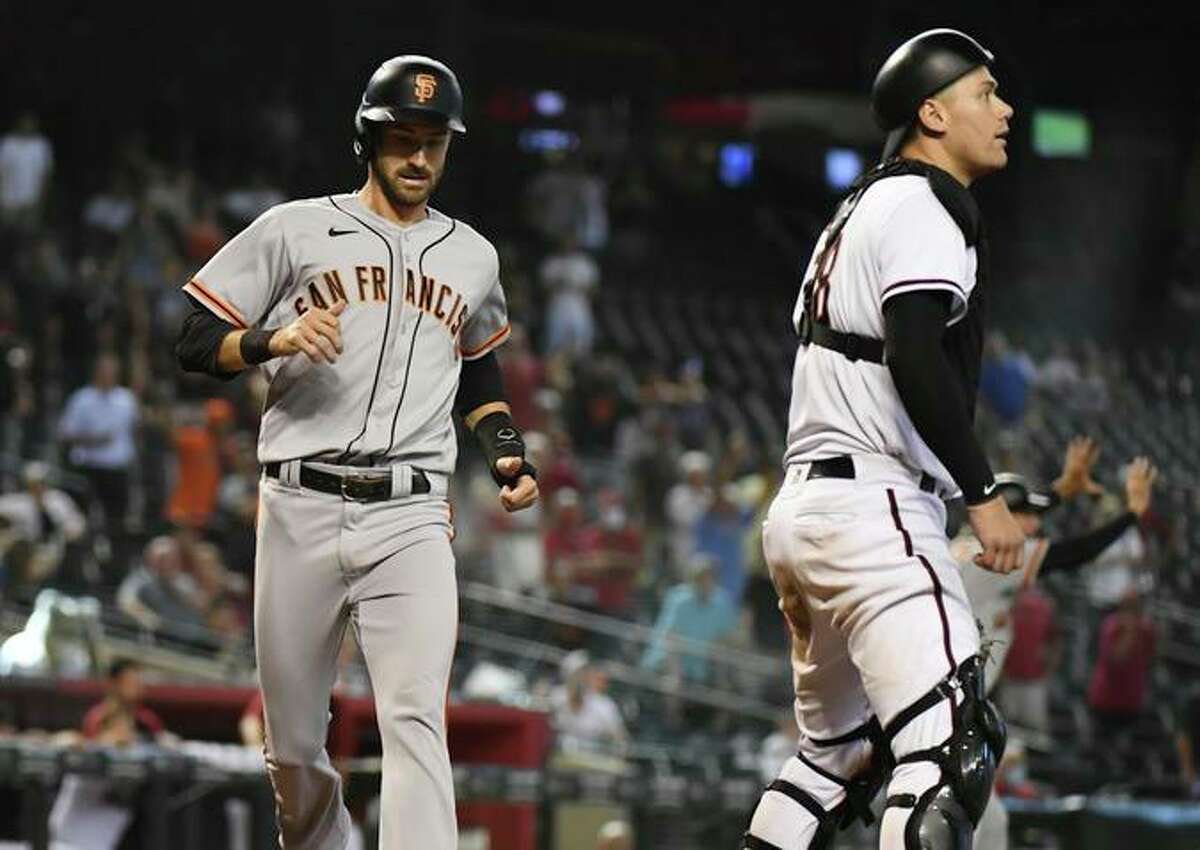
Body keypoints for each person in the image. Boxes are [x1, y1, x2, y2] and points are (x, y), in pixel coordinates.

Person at [174, 55, 539, 850]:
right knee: (294, 750)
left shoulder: (472, 256)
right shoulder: (295, 228)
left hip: (411, 512)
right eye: (402, 138)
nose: (418, 158)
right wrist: (272, 337)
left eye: (433, 143)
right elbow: (192, 337)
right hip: (299, 504)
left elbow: (478, 365)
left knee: (415, 719)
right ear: (368, 139)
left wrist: (507, 452)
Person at [743, 29, 1020, 850]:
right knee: (949, 746)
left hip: (811, 512)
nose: (1003, 110)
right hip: (876, 510)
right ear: (932, 113)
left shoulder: (866, 202)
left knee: (835, 759)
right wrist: (985, 493)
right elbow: (913, 351)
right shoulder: (922, 201)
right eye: (983, 95)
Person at [57, 352, 139, 557]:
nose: (108, 375)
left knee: (118, 522)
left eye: (111, 372)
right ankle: (78, 561)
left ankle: (116, 565)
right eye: (104, 371)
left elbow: (134, 430)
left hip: (117, 470)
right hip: (88, 468)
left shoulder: (126, 399)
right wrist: (94, 440)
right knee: (81, 521)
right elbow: (65, 434)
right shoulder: (81, 399)